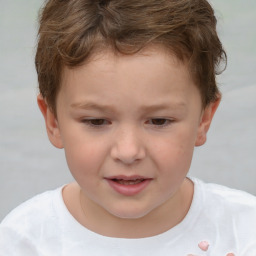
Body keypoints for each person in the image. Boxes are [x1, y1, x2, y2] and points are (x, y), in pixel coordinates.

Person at [0, 0, 255, 255]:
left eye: (159, 121)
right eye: (96, 121)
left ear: (203, 119)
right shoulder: (24, 240)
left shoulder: (244, 232)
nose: (128, 151)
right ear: (53, 121)